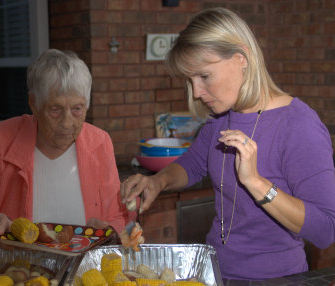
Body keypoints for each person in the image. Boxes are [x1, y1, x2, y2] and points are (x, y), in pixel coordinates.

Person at [121, 7, 335, 280]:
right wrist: (157, 182)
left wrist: (256, 182)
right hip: (215, 273)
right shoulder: (221, 118)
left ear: (240, 59)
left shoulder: (299, 124)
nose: (197, 92)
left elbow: (326, 228)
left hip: (276, 279)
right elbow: (192, 164)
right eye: (190, 81)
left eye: (204, 76)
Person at [0, 49, 129, 247]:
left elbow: (117, 216)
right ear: (33, 104)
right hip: (16, 271)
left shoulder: (100, 143)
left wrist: (109, 231)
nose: (67, 123)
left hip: (83, 272)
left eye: (77, 109)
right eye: (55, 109)